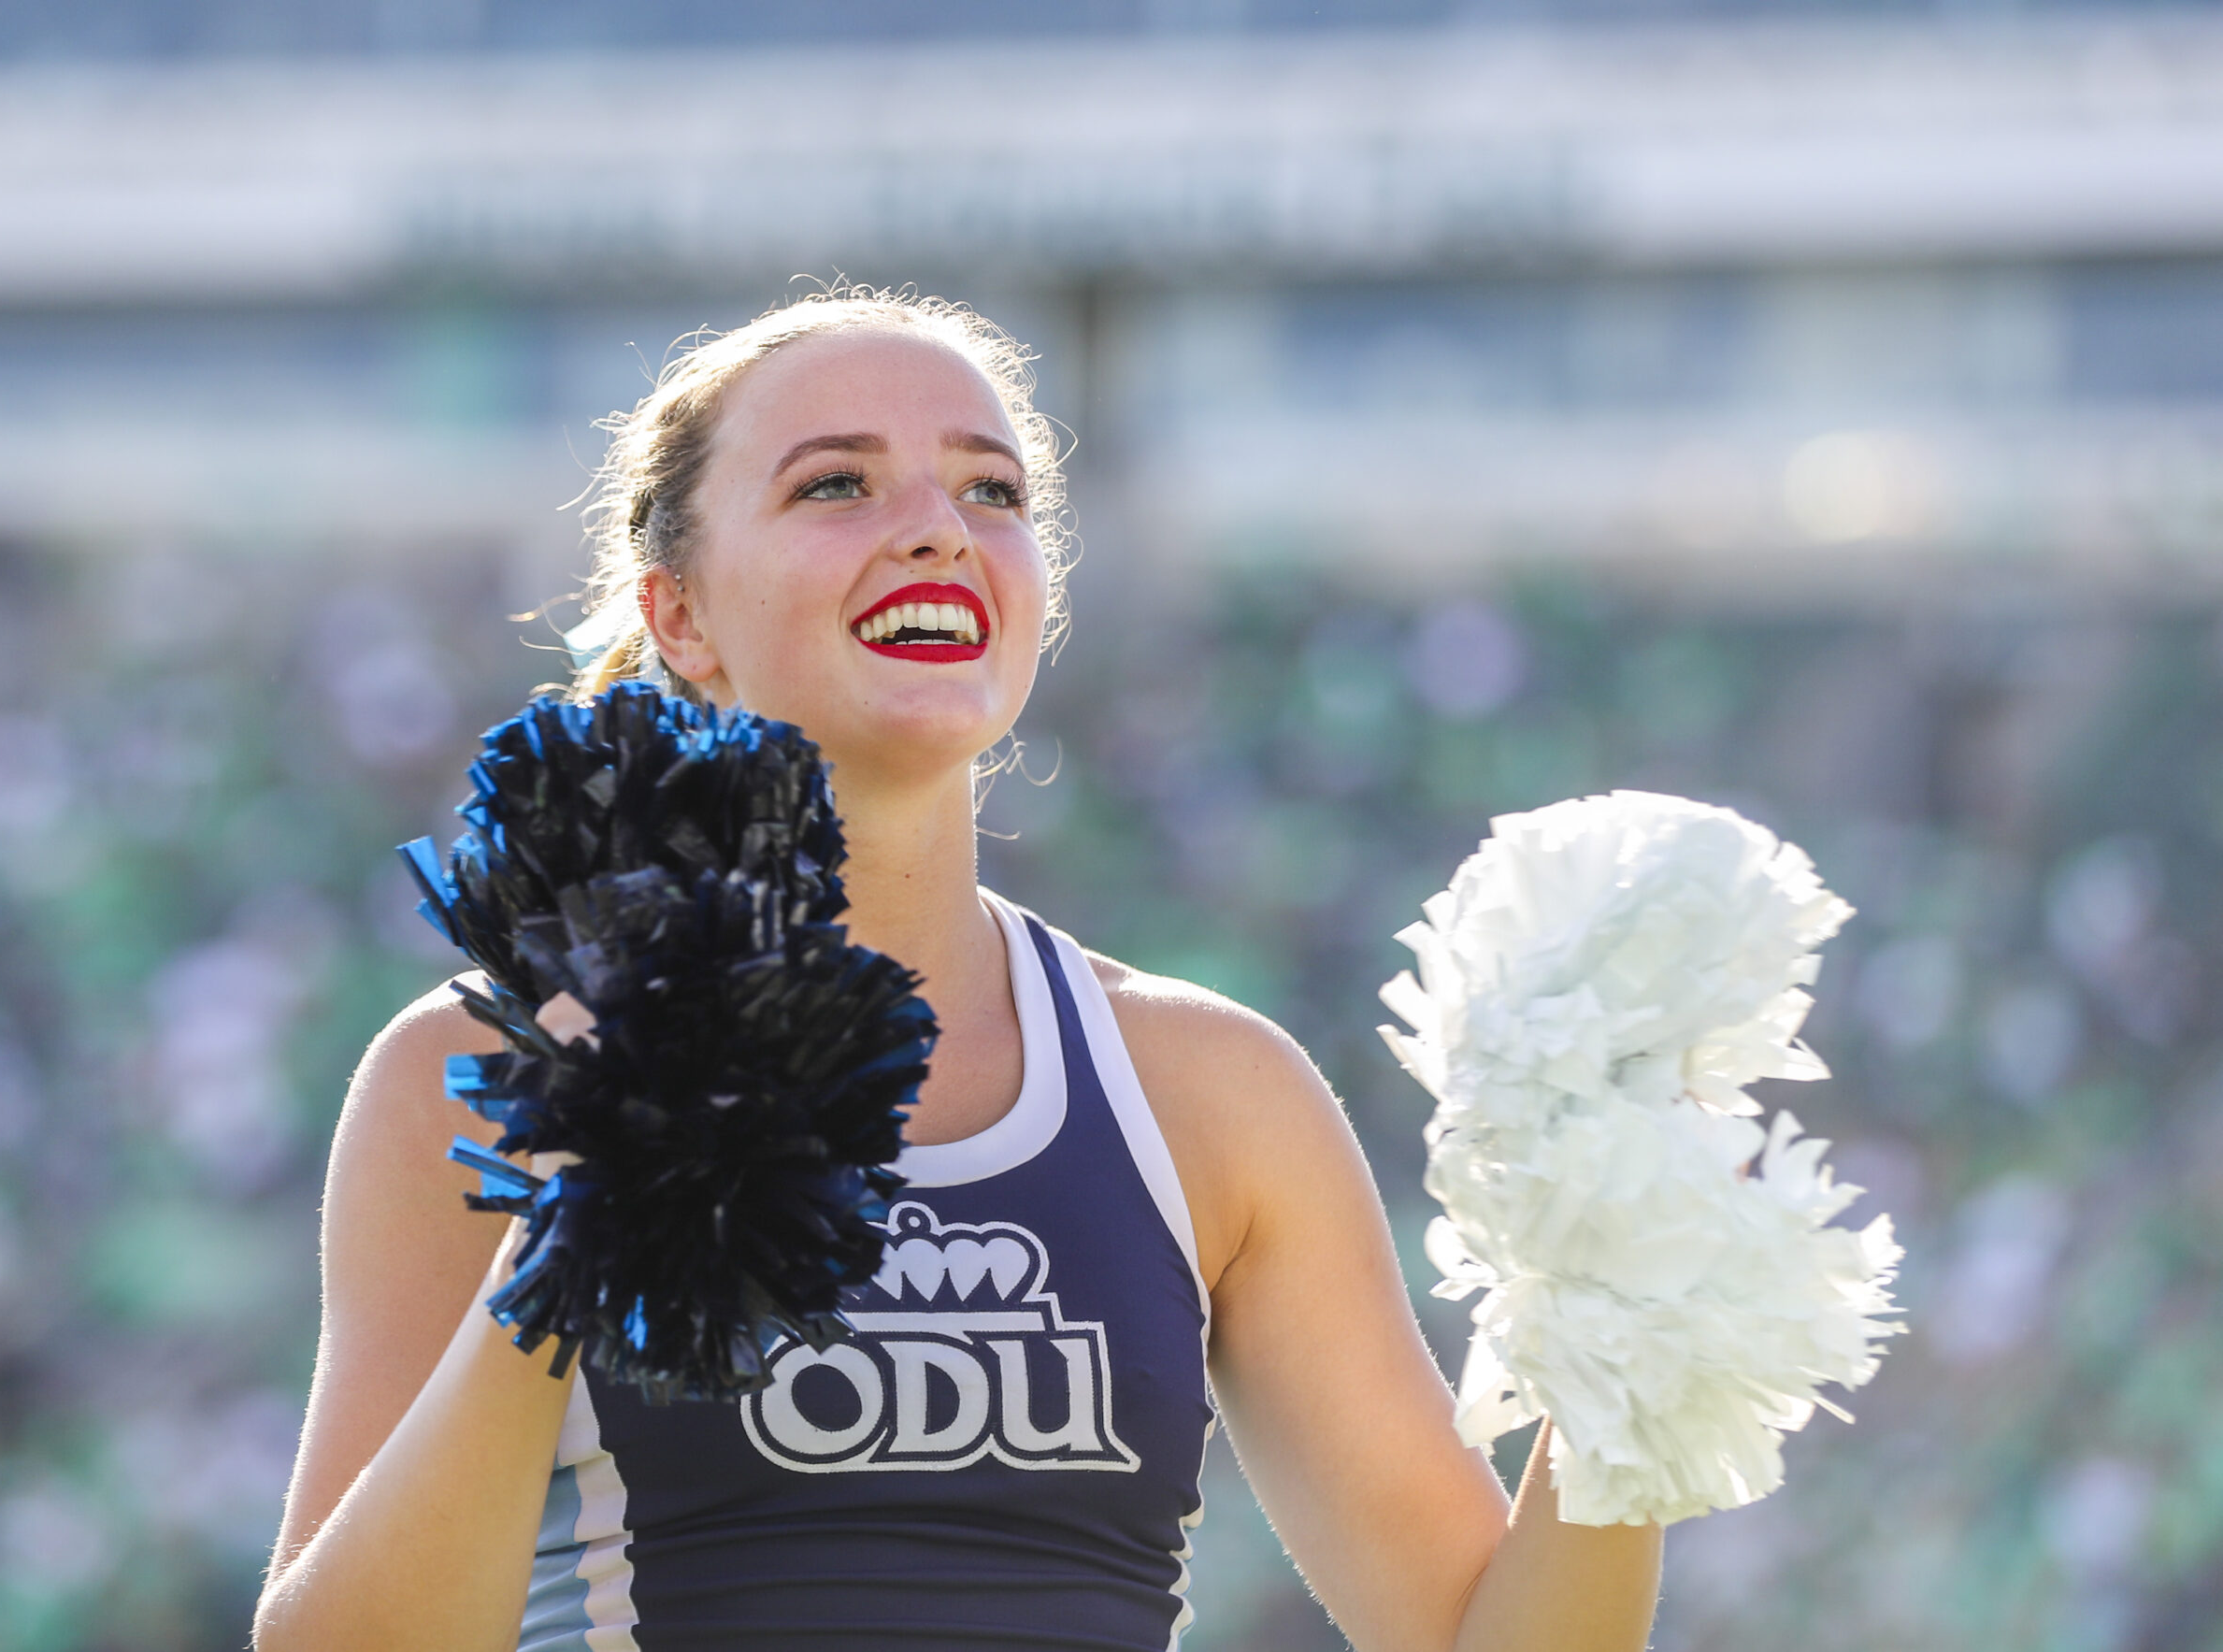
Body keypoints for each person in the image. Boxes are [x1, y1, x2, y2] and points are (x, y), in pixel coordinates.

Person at [252, 290, 1663, 1652]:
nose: (937, 530)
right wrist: (580, 1219)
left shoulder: (1210, 1092)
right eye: (836, 488)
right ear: (678, 615)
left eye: (991, 493)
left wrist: (1646, 1344)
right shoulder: (481, 1077)